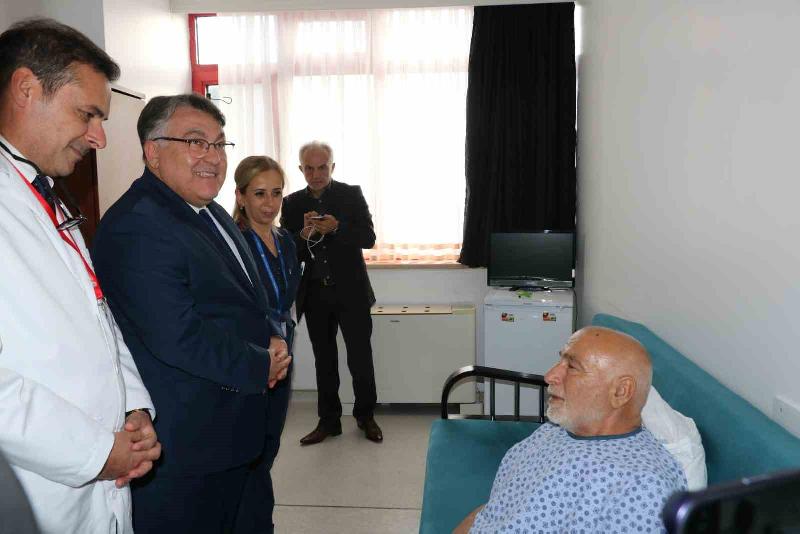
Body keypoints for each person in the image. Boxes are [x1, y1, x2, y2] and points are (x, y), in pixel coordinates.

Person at [92, 94, 291, 534]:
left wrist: (271, 337)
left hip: (239, 433)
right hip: (190, 447)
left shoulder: (209, 211)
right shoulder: (138, 224)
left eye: (219, 144)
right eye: (196, 142)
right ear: (153, 152)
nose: (213, 157)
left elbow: (242, 300)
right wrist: (259, 363)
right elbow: (176, 334)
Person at [0, 18, 160, 534]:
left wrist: (133, 409)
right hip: (35, 492)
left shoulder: (43, 191)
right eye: (87, 113)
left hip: (100, 478)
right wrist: (96, 451)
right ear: (26, 88)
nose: (99, 137)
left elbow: (96, 316)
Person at [455, 326, 687, 533]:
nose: (550, 376)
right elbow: (498, 509)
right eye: (561, 361)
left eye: (573, 367)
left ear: (620, 391)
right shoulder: (562, 428)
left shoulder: (640, 489)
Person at [281, 141, 382, 444]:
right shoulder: (291, 203)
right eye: (309, 168)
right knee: (324, 361)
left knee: (360, 358)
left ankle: (366, 416)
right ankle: (329, 422)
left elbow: (369, 238)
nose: (316, 174)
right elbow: (287, 252)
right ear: (301, 169)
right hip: (315, 295)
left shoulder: (351, 194)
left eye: (322, 167)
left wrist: (337, 228)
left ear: (332, 166)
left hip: (352, 293)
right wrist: (303, 234)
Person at [231, 156, 301, 533]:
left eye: (276, 193)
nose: (269, 203)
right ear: (240, 196)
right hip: (251, 352)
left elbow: (286, 296)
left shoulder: (286, 240)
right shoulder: (232, 242)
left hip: (283, 348)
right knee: (250, 447)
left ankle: (258, 519)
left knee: (270, 441)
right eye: (259, 194)